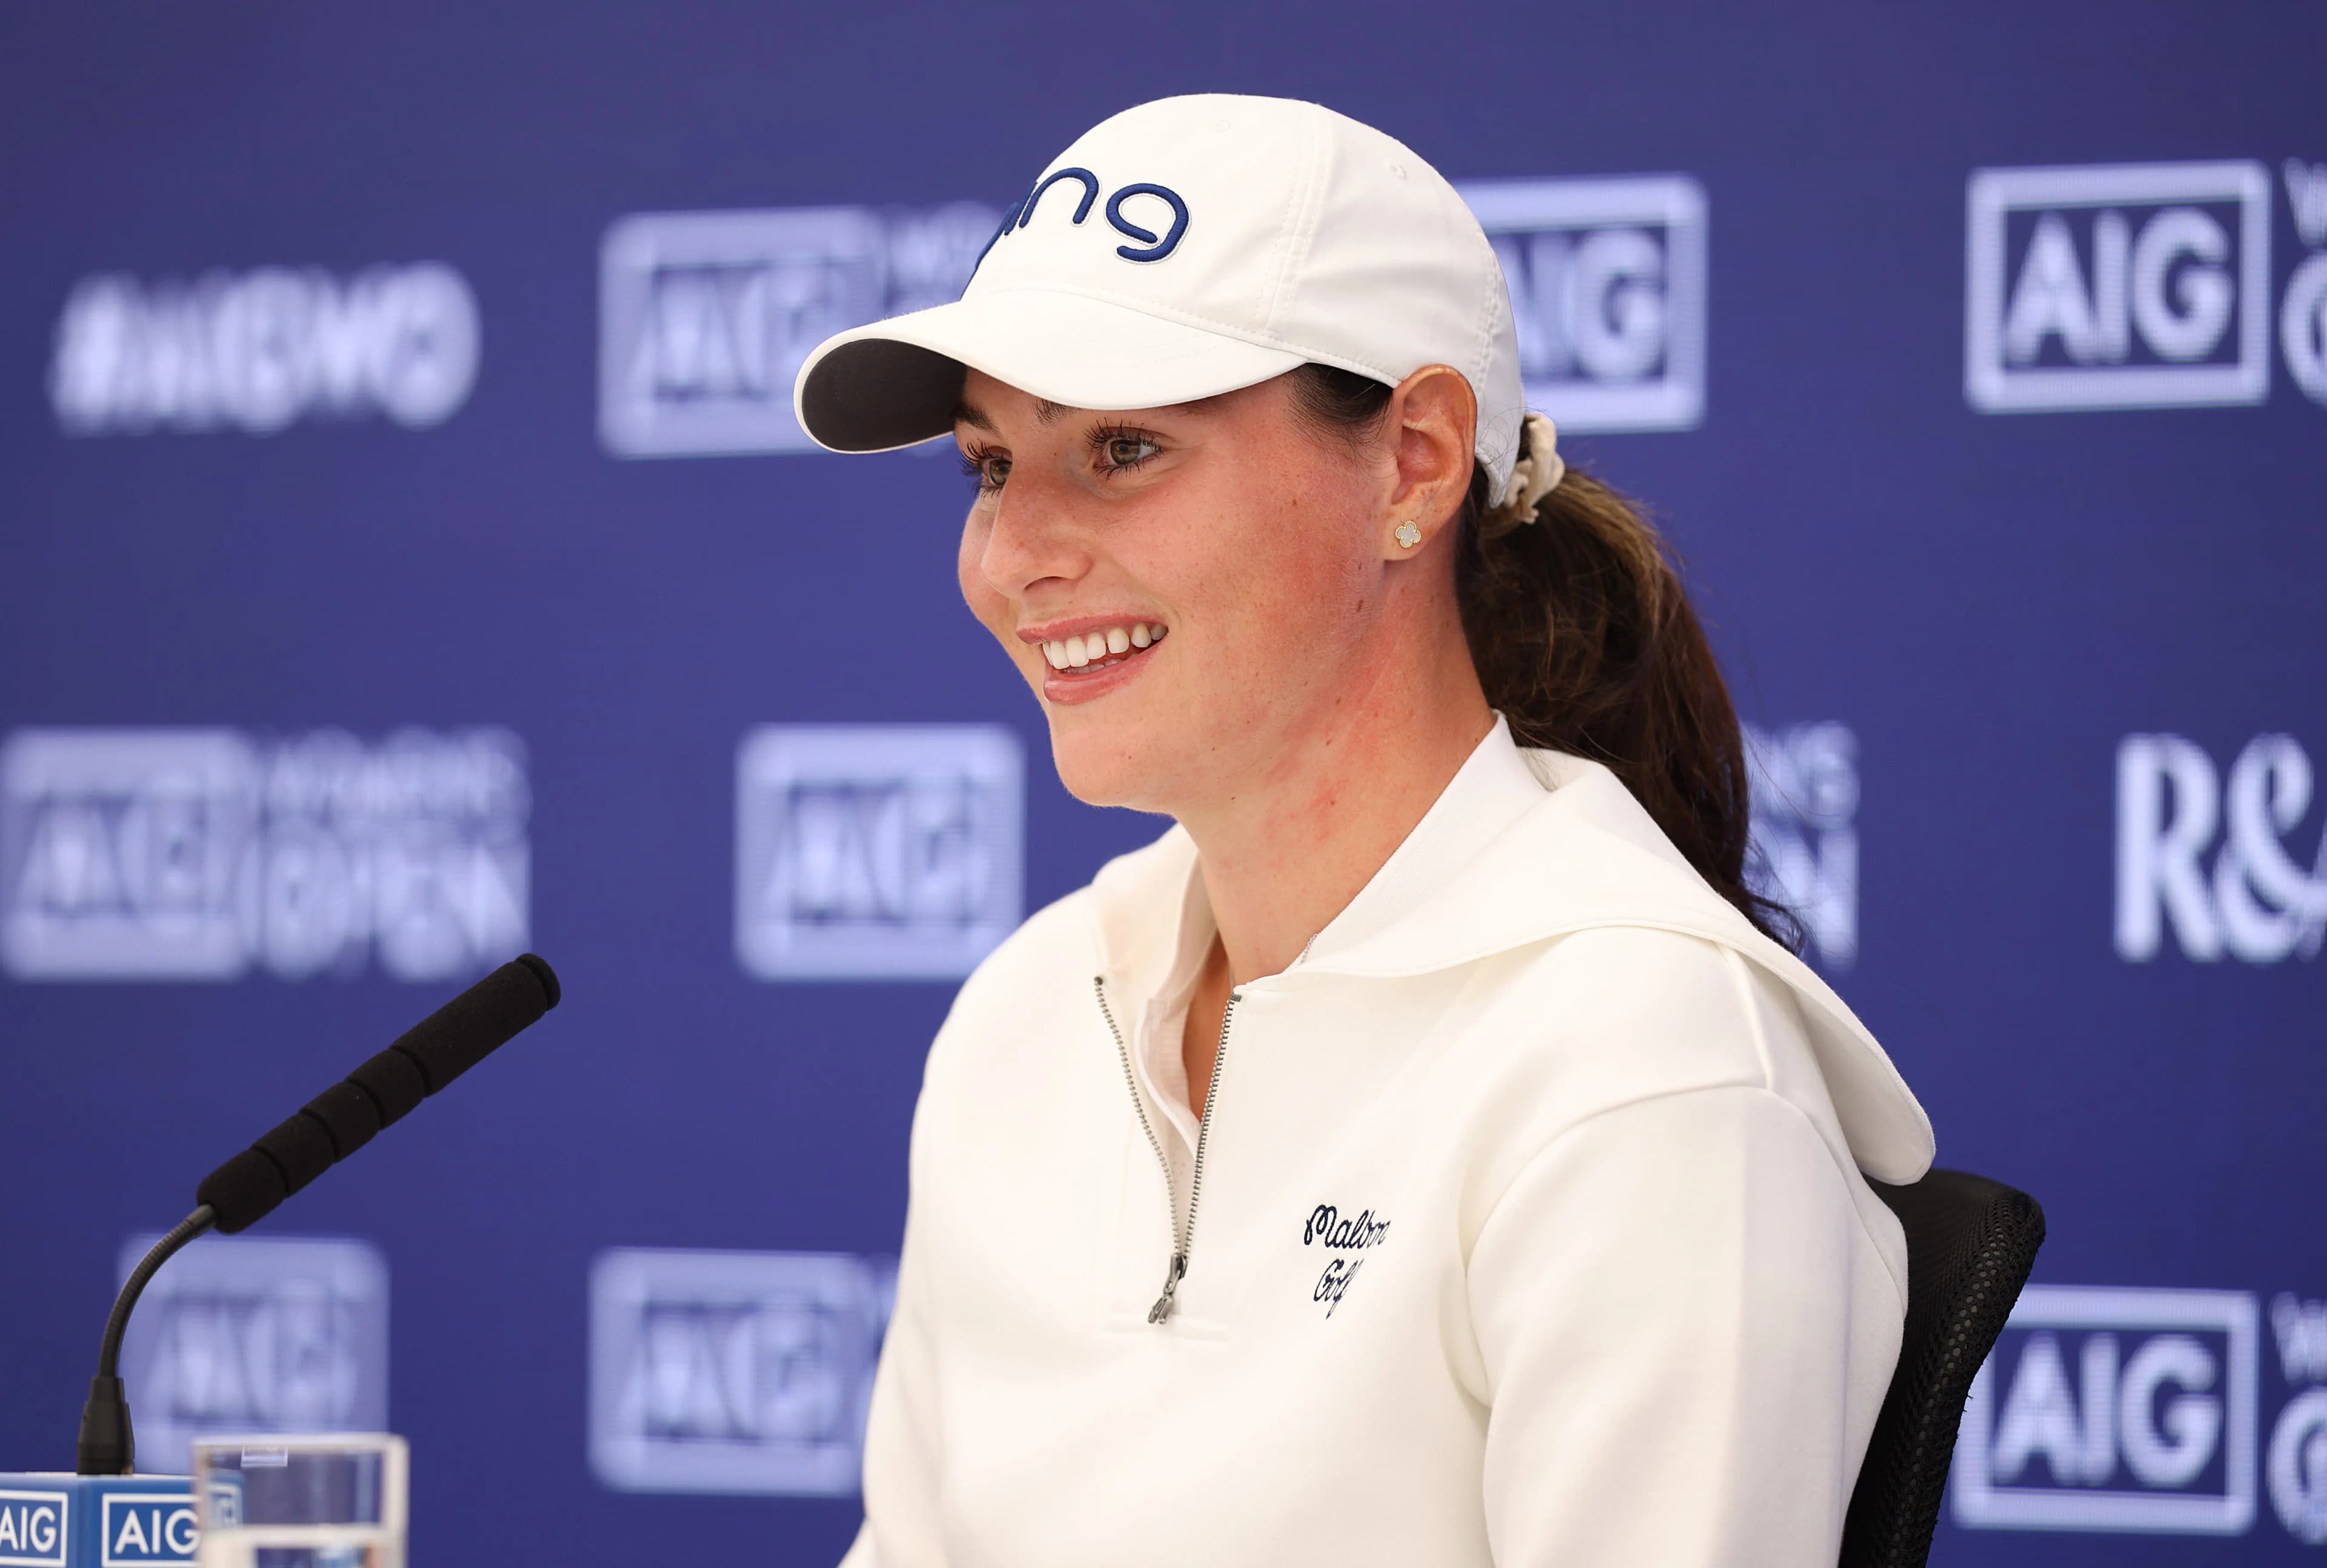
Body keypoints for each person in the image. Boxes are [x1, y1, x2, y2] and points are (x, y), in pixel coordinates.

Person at [791, 93, 1933, 1567]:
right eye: (992, 465)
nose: (1015, 555)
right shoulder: (1026, 1014)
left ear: (1415, 462)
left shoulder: (1649, 1067)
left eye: (1125, 448)